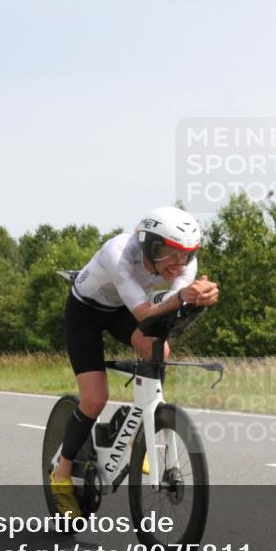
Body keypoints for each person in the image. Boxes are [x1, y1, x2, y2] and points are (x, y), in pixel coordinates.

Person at [49, 207, 219, 516]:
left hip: (121, 308)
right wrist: (183, 298)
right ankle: (61, 471)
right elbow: (144, 313)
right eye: (170, 253)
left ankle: (144, 425)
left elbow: (169, 312)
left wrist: (197, 303)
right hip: (85, 311)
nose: (179, 263)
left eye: (187, 255)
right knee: (95, 398)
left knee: (159, 350)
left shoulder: (184, 265)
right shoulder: (119, 253)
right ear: (150, 246)